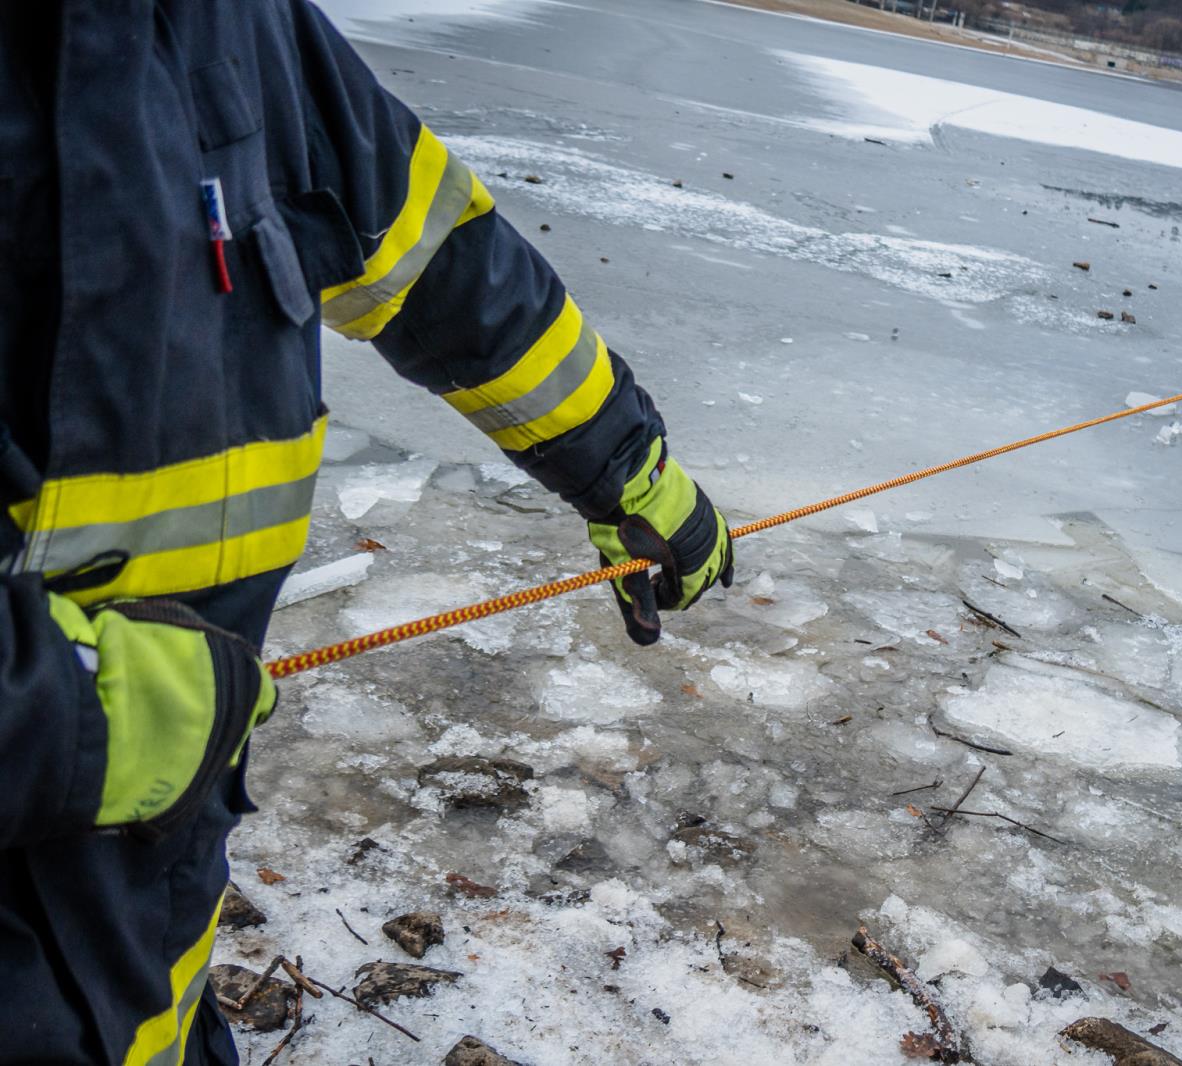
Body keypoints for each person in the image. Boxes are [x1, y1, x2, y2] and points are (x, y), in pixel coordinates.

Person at [0, 3, 732, 1062]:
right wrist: (50, 713)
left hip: (152, 864)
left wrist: (628, 470)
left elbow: (434, 257)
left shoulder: (229, 24)